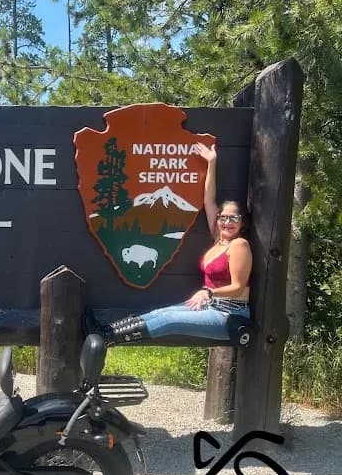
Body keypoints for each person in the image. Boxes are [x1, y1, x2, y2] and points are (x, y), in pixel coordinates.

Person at [84, 142, 252, 343]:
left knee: (170, 320)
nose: (227, 222)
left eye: (233, 218)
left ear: (242, 222)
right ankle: (105, 331)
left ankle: (106, 336)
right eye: (223, 217)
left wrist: (208, 292)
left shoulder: (239, 245)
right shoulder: (218, 238)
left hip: (228, 315)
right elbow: (209, 200)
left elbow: (238, 287)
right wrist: (212, 162)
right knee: (161, 313)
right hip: (210, 307)